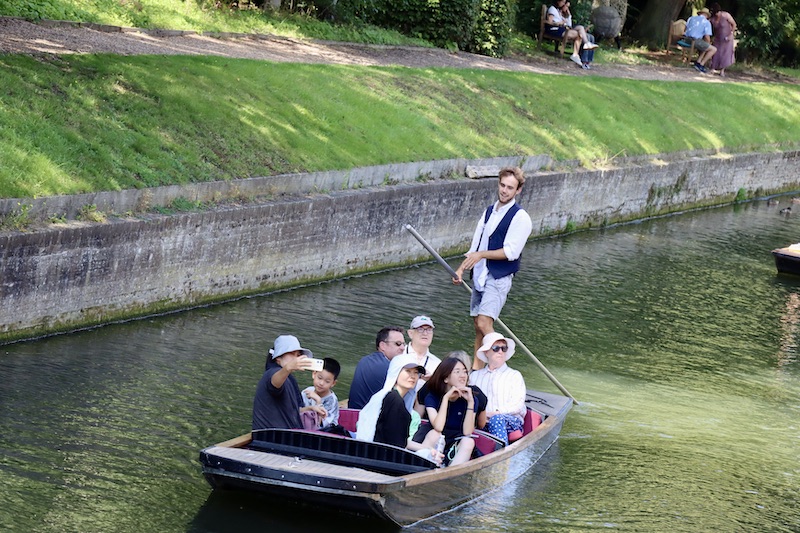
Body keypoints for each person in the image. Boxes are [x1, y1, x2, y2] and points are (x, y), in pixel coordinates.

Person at [453, 167, 533, 370]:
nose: (505, 191)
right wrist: (462, 269)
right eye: (502, 185)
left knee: (483, 323)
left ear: (518, 191)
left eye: (510, 188)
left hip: (499, 277)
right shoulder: (489, 211)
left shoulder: (520, 218)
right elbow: (476, 246)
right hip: (480, 275)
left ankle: (501, 367)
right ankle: (477, 371)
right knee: (478, 328)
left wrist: (481, 255)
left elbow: (511, 252)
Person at [355, 353, 443, 462]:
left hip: (379, 454)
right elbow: (395, 444)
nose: (413, 376)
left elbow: (399, 440)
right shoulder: (394, 400)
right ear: (395, 372)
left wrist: (427, 448)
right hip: (381, 459)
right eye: (408, 371)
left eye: (416, 372)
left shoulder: (390, 397)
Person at [423, 358, 488, 466]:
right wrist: (446, 399)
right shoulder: (432, 396)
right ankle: (420, 467)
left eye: (464, 372)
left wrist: (470, 402)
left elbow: (467, 432)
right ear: (446, 378)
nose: (463, 375)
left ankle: (450, 474)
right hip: (435, 439)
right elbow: (438, 427)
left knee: (468, 442)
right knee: (435, 434)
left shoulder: (472, 399)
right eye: (457, 372)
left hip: (456, 441)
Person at [252, 334, 324, 431]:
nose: (296, 358)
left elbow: (293, 411)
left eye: (298, 355)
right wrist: (288, 367)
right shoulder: (272, 373)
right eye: (292, 353)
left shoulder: (289, 378)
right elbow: (274, 383)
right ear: (278, 358)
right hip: (271, 438)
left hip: (287, 436)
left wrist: (311, 408)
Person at [468, 332, 527, 445]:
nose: (500, 351)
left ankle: (500, 456)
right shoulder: (475, 376)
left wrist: (493, 414)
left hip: (510, 420)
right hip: (481, 419)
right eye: (496, 348)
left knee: (497, 420)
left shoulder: (514, 375)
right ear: (486, 352)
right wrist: (481, 416)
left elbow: (517, 406)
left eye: (503, 348)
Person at [347, 326, 406, 410]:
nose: (403, 348)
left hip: (354, 413)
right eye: (398, 344)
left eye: (404, 344)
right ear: (383, 345)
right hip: (371, 419)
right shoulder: (390, 369)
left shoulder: (364, 360)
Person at [545, 0, 598, 67]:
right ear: (558, 1)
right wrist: (559, 23)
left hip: (563, 29)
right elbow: (549, 22)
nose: (564, 3)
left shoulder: (559, 11)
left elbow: (569, 25)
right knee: (580, 34)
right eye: (563, 2)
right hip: (555, 29)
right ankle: (577, 54)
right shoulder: (552, 9)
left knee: (581, 29)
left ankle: (584, 47)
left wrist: (569, 15)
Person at [301, 357, 341, 429]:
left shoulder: (332, 400)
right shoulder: (307, 391)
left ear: (333, 383)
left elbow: (318, 424)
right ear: (314, 374)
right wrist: (310, 408)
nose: (321, 383)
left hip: (326, 433)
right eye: (319, 378)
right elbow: (297, 411)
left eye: (327, 381)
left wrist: (318, 400)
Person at [405, 315, 441, 391]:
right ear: (410, 333)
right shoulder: (400, 353)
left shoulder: (437, 363)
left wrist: (432, 381)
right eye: (420, 329)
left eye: (429, 330)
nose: (425, 333)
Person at [684, 7, 717, 73]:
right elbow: (707, 37)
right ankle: (701, 65)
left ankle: (698, 62)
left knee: (705, 46)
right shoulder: (706, 22)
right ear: (707, 15)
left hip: (686, 39)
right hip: (695, 40)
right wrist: (709, 43)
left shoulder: (691, 18)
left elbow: (685, 29)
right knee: (713, 49)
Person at [709, 3, 736, 76]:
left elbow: (734, 24)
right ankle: (713, 68)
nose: (717, 14)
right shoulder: (713, 19)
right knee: (716, 52)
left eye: (718, 12)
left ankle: (722, 70)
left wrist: (731, 34)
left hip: (727, 37)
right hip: (718, 38)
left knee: (725, 53)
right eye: (715, 13)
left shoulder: (726, 15)